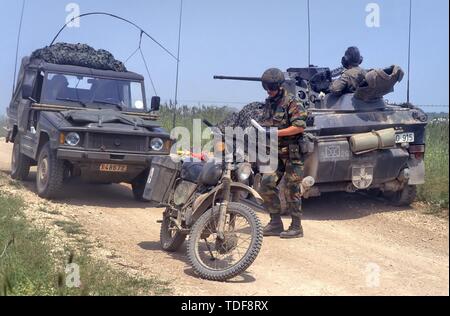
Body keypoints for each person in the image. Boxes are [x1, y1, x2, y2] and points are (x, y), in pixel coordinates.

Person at [257, 68, 308, 239]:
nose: (269, 92)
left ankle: (296, 227)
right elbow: (267, 122)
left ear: (279, 86)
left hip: (293, 153)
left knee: (291, 188)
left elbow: (299, 126)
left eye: (271, 88)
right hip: (276, 153)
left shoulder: (291, 102)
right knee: (265, 186)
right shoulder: (269, 103)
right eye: (267, 89)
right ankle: (275, 223)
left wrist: (276, 133)